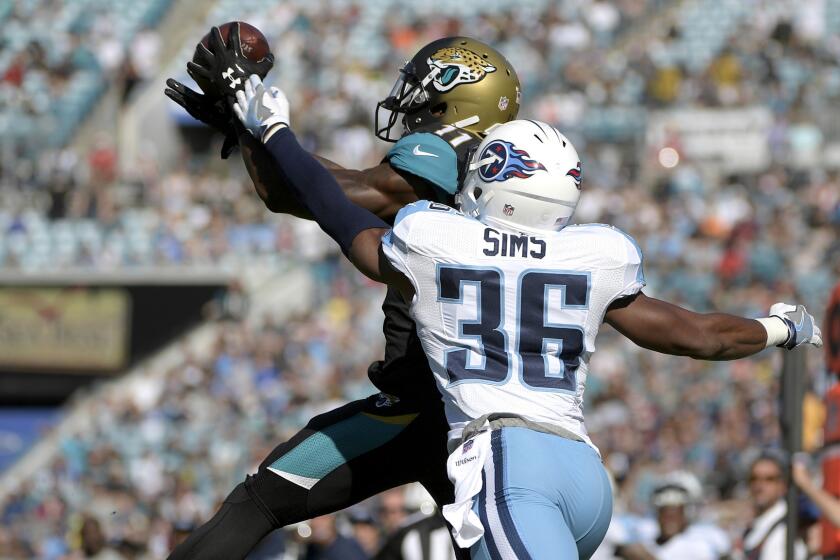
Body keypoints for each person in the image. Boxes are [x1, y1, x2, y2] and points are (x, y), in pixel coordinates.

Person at [230, 79, 823, 558]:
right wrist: (777, 328)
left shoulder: (440, 239)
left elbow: (342, 216)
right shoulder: (592, 253)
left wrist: (275, 133)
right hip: (583, 476)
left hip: (509, 464)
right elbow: (700, 336)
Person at [165, 30, 519, 560]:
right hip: (490, 413)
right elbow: (335, 182)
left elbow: (304, 194)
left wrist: (254, 124)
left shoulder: (444, 159)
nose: (409, 103)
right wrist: (252, 130)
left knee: (258, 502)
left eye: (424, 92)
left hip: (421, 409)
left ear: (457, 101)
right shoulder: (508, 183)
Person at [606, 471, 730, 559]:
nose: (669, 519)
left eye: (675, 512)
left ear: (685, 513)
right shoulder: (648, 538)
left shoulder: (699, 544)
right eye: (664, 512)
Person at [738, 451, 808, 560]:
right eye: (754, 478)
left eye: (769, 479)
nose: (759, 485)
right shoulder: (758, 525)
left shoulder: (784, 532)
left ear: (782, 485)